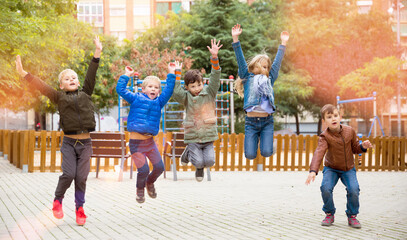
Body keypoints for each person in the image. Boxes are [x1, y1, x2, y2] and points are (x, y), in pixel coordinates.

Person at [15, 36, 103, 226]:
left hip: (86, 144)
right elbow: (40, 85)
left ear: (78, 83)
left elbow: (91, 73)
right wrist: (24, 73)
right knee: (69, 174)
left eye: (74, 78)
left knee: (81, 178)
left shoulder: (86, 92)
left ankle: (80, 208)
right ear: (61, 85)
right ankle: (58, 200)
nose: (71, 79)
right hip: (69, 143)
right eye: (66, 78)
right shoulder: (58, 97)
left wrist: (97, 52)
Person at [116, 62, 181, 203]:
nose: (153, 89)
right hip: (136, 144)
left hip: (150, 143)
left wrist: (171, 72)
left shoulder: (159, 102)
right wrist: (126, 75)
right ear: (143, 89)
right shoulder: (135, 98)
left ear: (158, 91)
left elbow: (169, 90)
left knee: (160, 167)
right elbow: (120, 90)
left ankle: (149, 183)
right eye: (150, 87)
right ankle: (140, 190)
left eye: (156, 87)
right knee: (143, 170)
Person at [305, 104, 373, 228]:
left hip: (348, 169)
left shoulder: (350, 131)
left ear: (340, 117)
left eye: (335, 116)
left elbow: (355, 148)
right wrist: (313, 171)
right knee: (325, 188)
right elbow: (319, 152)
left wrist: (363, 146)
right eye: (329, 117)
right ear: (324, 121)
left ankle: (352, 216)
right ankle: (329, 213)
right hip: (331, 168)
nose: (333, 119)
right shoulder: (324, 136)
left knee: (354, 189)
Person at [231, 24, 288, 160]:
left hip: (267, 121)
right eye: (262, 65)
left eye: (266, 66)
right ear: (255, 65)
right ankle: (258, 143)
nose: (265, 68)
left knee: (266, 152)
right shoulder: (247, 77)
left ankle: (269, 145)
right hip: (251, 122)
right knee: (250, 155)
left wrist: (283, 43)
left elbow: (277, 63)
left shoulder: (269, 78)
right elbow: (240, 60)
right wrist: (235, 39)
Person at [172, 39, 222, 182]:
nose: (197, 89)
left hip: (208, 136)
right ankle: (196, 164)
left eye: (199, 85)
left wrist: (214, 58)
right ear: (187, 87)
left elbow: (215, 76)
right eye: (193, 86)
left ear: (202, 83)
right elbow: (176, 93)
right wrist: (177, 74)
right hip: (193, 137)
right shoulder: (186, 97)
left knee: (210, 162)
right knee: (199, 162)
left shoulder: (210, 92)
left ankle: (189, 155)